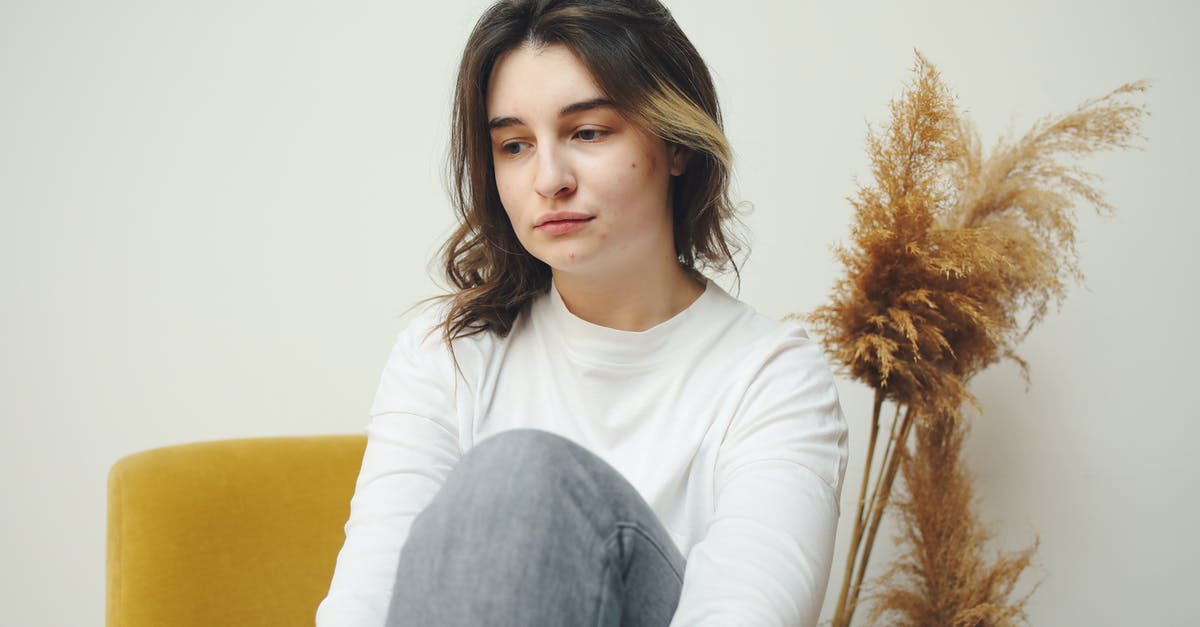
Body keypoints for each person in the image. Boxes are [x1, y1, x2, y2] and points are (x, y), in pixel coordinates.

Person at [317, 1, 848, 625]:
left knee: (523, 474)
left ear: (675, 143)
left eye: (588, 132)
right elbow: (367, 606)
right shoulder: (446, 354)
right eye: (514, 145)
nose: (549, 179)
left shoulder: (772, 377)